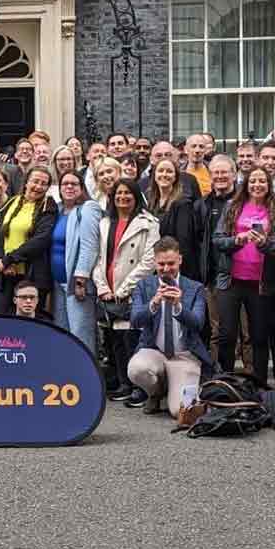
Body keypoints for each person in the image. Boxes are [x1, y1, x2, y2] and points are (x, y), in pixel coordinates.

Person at [212, 167, 275, 386]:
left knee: (259, 336)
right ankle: (225, 382)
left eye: (262, 181)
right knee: (226, 334)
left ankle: (260, 384)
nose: (257, 185)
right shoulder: (232, 207)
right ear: (245, 184)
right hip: (231, 279)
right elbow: (217, 240)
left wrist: (264, 243)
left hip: (262, 282)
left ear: (269, 184)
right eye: (253, 181)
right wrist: (238, 240)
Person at [92, 178, 159, 406]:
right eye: (118, 193)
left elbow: (149, 261)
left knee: (133, 340)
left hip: (133, 290)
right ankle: (123, 384)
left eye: (127, 193)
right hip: (108, 289)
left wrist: (124, 288)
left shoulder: (149, 223)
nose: (122, 197)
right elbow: (99, 258)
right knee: (115, 340)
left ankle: (139, 389)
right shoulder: (104, 223)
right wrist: (102, 286)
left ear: (135, 196)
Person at [128, 237, 212, 416]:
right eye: (161, 264)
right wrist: (154, 303)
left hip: (185, 355)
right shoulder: (144, 285)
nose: (166, 269)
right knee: (136, 369)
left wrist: (178, 306)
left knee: (181, 411)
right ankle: (155, 393)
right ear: (155, 262)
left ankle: (176, 389)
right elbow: (135, 320)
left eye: (171, 263)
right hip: (154, 351)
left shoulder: (195, 288)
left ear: (180, 260)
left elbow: (198, 323)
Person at [194, 156, 245, 367]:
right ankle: (220, 378)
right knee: (218, 331)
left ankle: (250, 380)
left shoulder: (246, 201)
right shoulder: (202, 205)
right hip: (214, 276)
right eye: (216, 173)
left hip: (244, 275)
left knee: (247, 332)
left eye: (225, 172)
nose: (220, 176)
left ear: (234, 174)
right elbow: (199, 240)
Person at [0, 166, 59, 314]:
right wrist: (0, 260)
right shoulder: (12, 201)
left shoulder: (49, 206)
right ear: (26, 181)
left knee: (26, 324)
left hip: (31, 275)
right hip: (4, 273)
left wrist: (9, 260)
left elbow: (41, 240)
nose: (38, 186)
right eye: (35, 181)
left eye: (43, 183)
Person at [52, 170, 102, 350]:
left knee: (81, 336)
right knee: (62, 335)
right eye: (65, 184)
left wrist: (81, 279)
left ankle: (86, 375)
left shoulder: (88, 208)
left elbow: (90, 245)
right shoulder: (56, 209)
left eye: (74, 184)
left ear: (82, 188)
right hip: (58, 283)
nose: (69, 187)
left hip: (76, 284)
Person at [147, 157, 198, 283]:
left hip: (172, 270)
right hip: (153, 267)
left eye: (169, 171)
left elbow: (184, 243)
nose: (164, 174)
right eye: (160, 171)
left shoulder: (183, 204)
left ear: (175, 177)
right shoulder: (150, 202)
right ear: (154, 175)